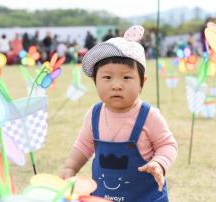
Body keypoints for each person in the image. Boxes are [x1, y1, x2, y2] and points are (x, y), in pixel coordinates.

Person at [60, 25, 178, 202]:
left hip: (145, 197)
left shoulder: (149, 115)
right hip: (103, 196)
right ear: (95, 81)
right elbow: (83, 146)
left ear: (141, 82)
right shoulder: (95, 114)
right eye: (107, 77)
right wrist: (70, 168)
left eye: (126, 77)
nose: (116, 85)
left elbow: (168, 145)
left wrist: (159, 163)